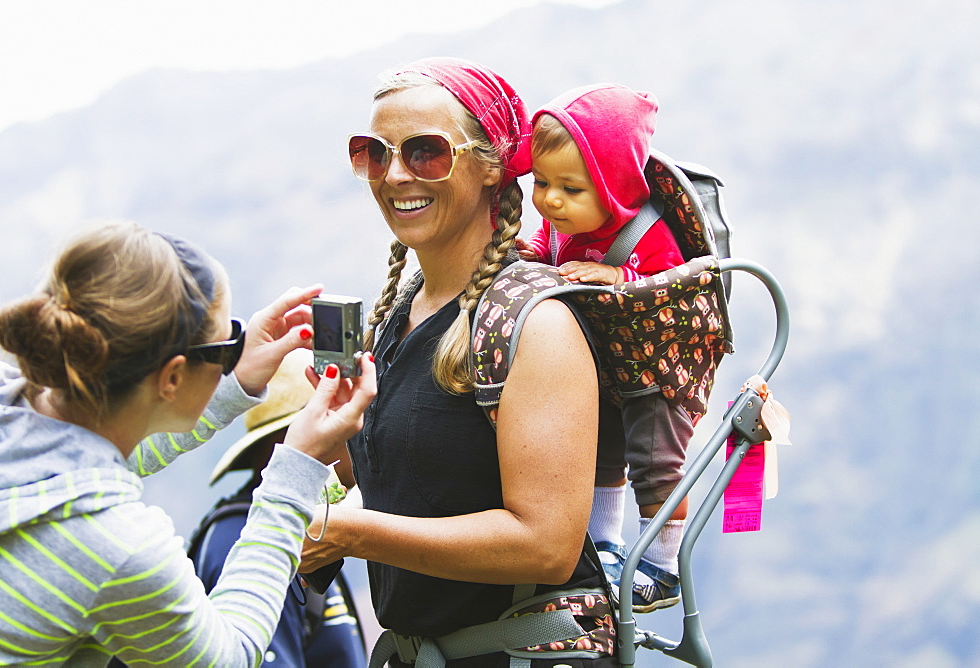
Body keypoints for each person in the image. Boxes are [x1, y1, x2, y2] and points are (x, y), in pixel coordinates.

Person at [301, 57, 615, 667]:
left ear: (492, 162)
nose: (393, 175)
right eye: (373, 152)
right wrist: (337, 446)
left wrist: (346, 533)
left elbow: (544, 544)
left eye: (425, 152)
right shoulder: (401, 315)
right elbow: (426, 487)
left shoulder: (536, 322)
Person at [0, 220, 376, 666]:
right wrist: (297, 471)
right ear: (170, 377)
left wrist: (235, 376)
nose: (234, 352)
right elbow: (229, 658)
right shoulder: (118, 547)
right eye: (227, 344)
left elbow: (103, 449)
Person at [516, 84, 693, 613]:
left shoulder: (647, 232)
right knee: (601, 454)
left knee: (655, 463)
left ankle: (662, 569)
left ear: (614, 188)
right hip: (609, 368)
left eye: (570, 189)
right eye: (542, 183)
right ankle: (606, 548)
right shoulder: (563, 224)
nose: (550, 200)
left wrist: (616, 274)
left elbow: (670, 281)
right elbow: (550, 250)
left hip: (659, 371)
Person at [191, 349, 366, 667]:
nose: (360, 435)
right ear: (300, 434)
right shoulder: (252, 542)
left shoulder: (310, 528)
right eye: (342, 420)